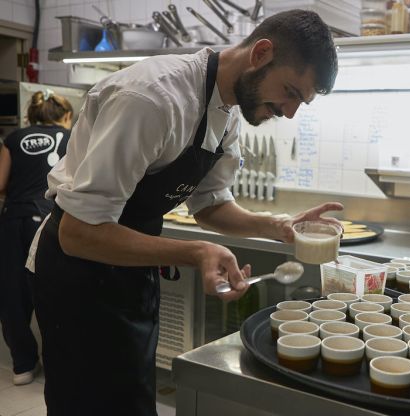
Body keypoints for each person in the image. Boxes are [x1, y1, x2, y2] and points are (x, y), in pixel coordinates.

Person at [27, 10, 341, 416]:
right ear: (261, 53)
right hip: (77, 277)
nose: (289, 111)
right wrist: (195, 253)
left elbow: (210, 206)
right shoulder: (152, 99)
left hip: (129, 271)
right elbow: (79, 232)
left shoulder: (226, 110)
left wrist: (278, 227)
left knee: (134, 398)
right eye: (291, 92)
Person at [0, 90, 72, 386]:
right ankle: (60, 364)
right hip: (50, 222)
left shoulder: (14, 138)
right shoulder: (71, 138)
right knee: (55, 293)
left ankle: (23, 365)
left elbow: (0, 183)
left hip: (13, 220)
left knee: (12, 295)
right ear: (66, 117)